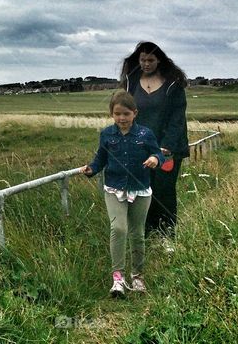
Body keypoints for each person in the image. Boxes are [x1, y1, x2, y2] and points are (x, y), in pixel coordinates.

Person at [81, 90, 164, 297]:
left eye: (126, 114)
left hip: (140, 190)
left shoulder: (146, 134)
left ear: (135, 113)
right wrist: (91, 169)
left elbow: (158, 154)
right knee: (118, 229)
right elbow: (100, 159)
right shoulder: (107, 134)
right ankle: (118, 279)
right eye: (117, 114)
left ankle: (137, 276)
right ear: (111, 114)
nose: (122, 118)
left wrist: (155, 159)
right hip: (114, 188)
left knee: (137, 233)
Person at [119, 41, 189, 247]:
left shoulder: (173, 84)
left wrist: (166, 146)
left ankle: (167, 236)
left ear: (159, 60)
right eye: (142, 60)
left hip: (167, 150)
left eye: (150, 60)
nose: (146, 64)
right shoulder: (131, 83)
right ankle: (147, 233)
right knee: (142, 191)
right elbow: (125, 113)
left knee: (164, 190)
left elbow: (178, 119)